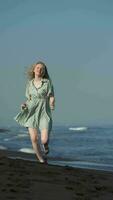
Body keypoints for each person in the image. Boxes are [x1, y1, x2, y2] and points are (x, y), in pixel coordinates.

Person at [14, 61, 55, 163]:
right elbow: (29, 99)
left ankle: (45, 145)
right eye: (38, 68)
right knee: (34, 139)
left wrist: (52, 102)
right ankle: (41, 159)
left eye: (42, 69)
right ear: (34, 69)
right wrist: (24, 105)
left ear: (44, 72)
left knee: (44, 140)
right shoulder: (29, 84)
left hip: (43, 112)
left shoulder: (47, 82)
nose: (39, 70)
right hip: (31, 112)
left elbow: (51, 96)